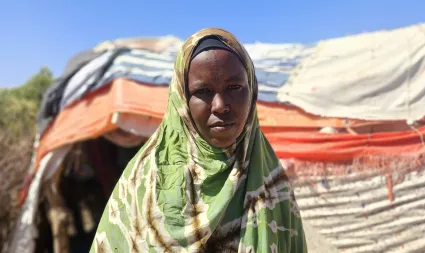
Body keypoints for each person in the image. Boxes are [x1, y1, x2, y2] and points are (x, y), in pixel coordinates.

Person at [90, 28, 308, 253]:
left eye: (234, 87)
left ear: (251, 90)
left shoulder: (270, 179)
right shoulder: (142, 182)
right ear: (182, 97)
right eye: (203, 91)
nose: (220, 105)